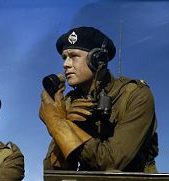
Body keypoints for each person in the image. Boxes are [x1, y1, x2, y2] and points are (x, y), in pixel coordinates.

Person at [39, 26, 158, 173]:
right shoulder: (70, 101)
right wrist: (63, 128)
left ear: (98, 59)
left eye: (74, 56)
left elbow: (111, 162)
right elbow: (55, 174)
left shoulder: (136, 95)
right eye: (64, 58)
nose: (66, 64)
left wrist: (58, 125)